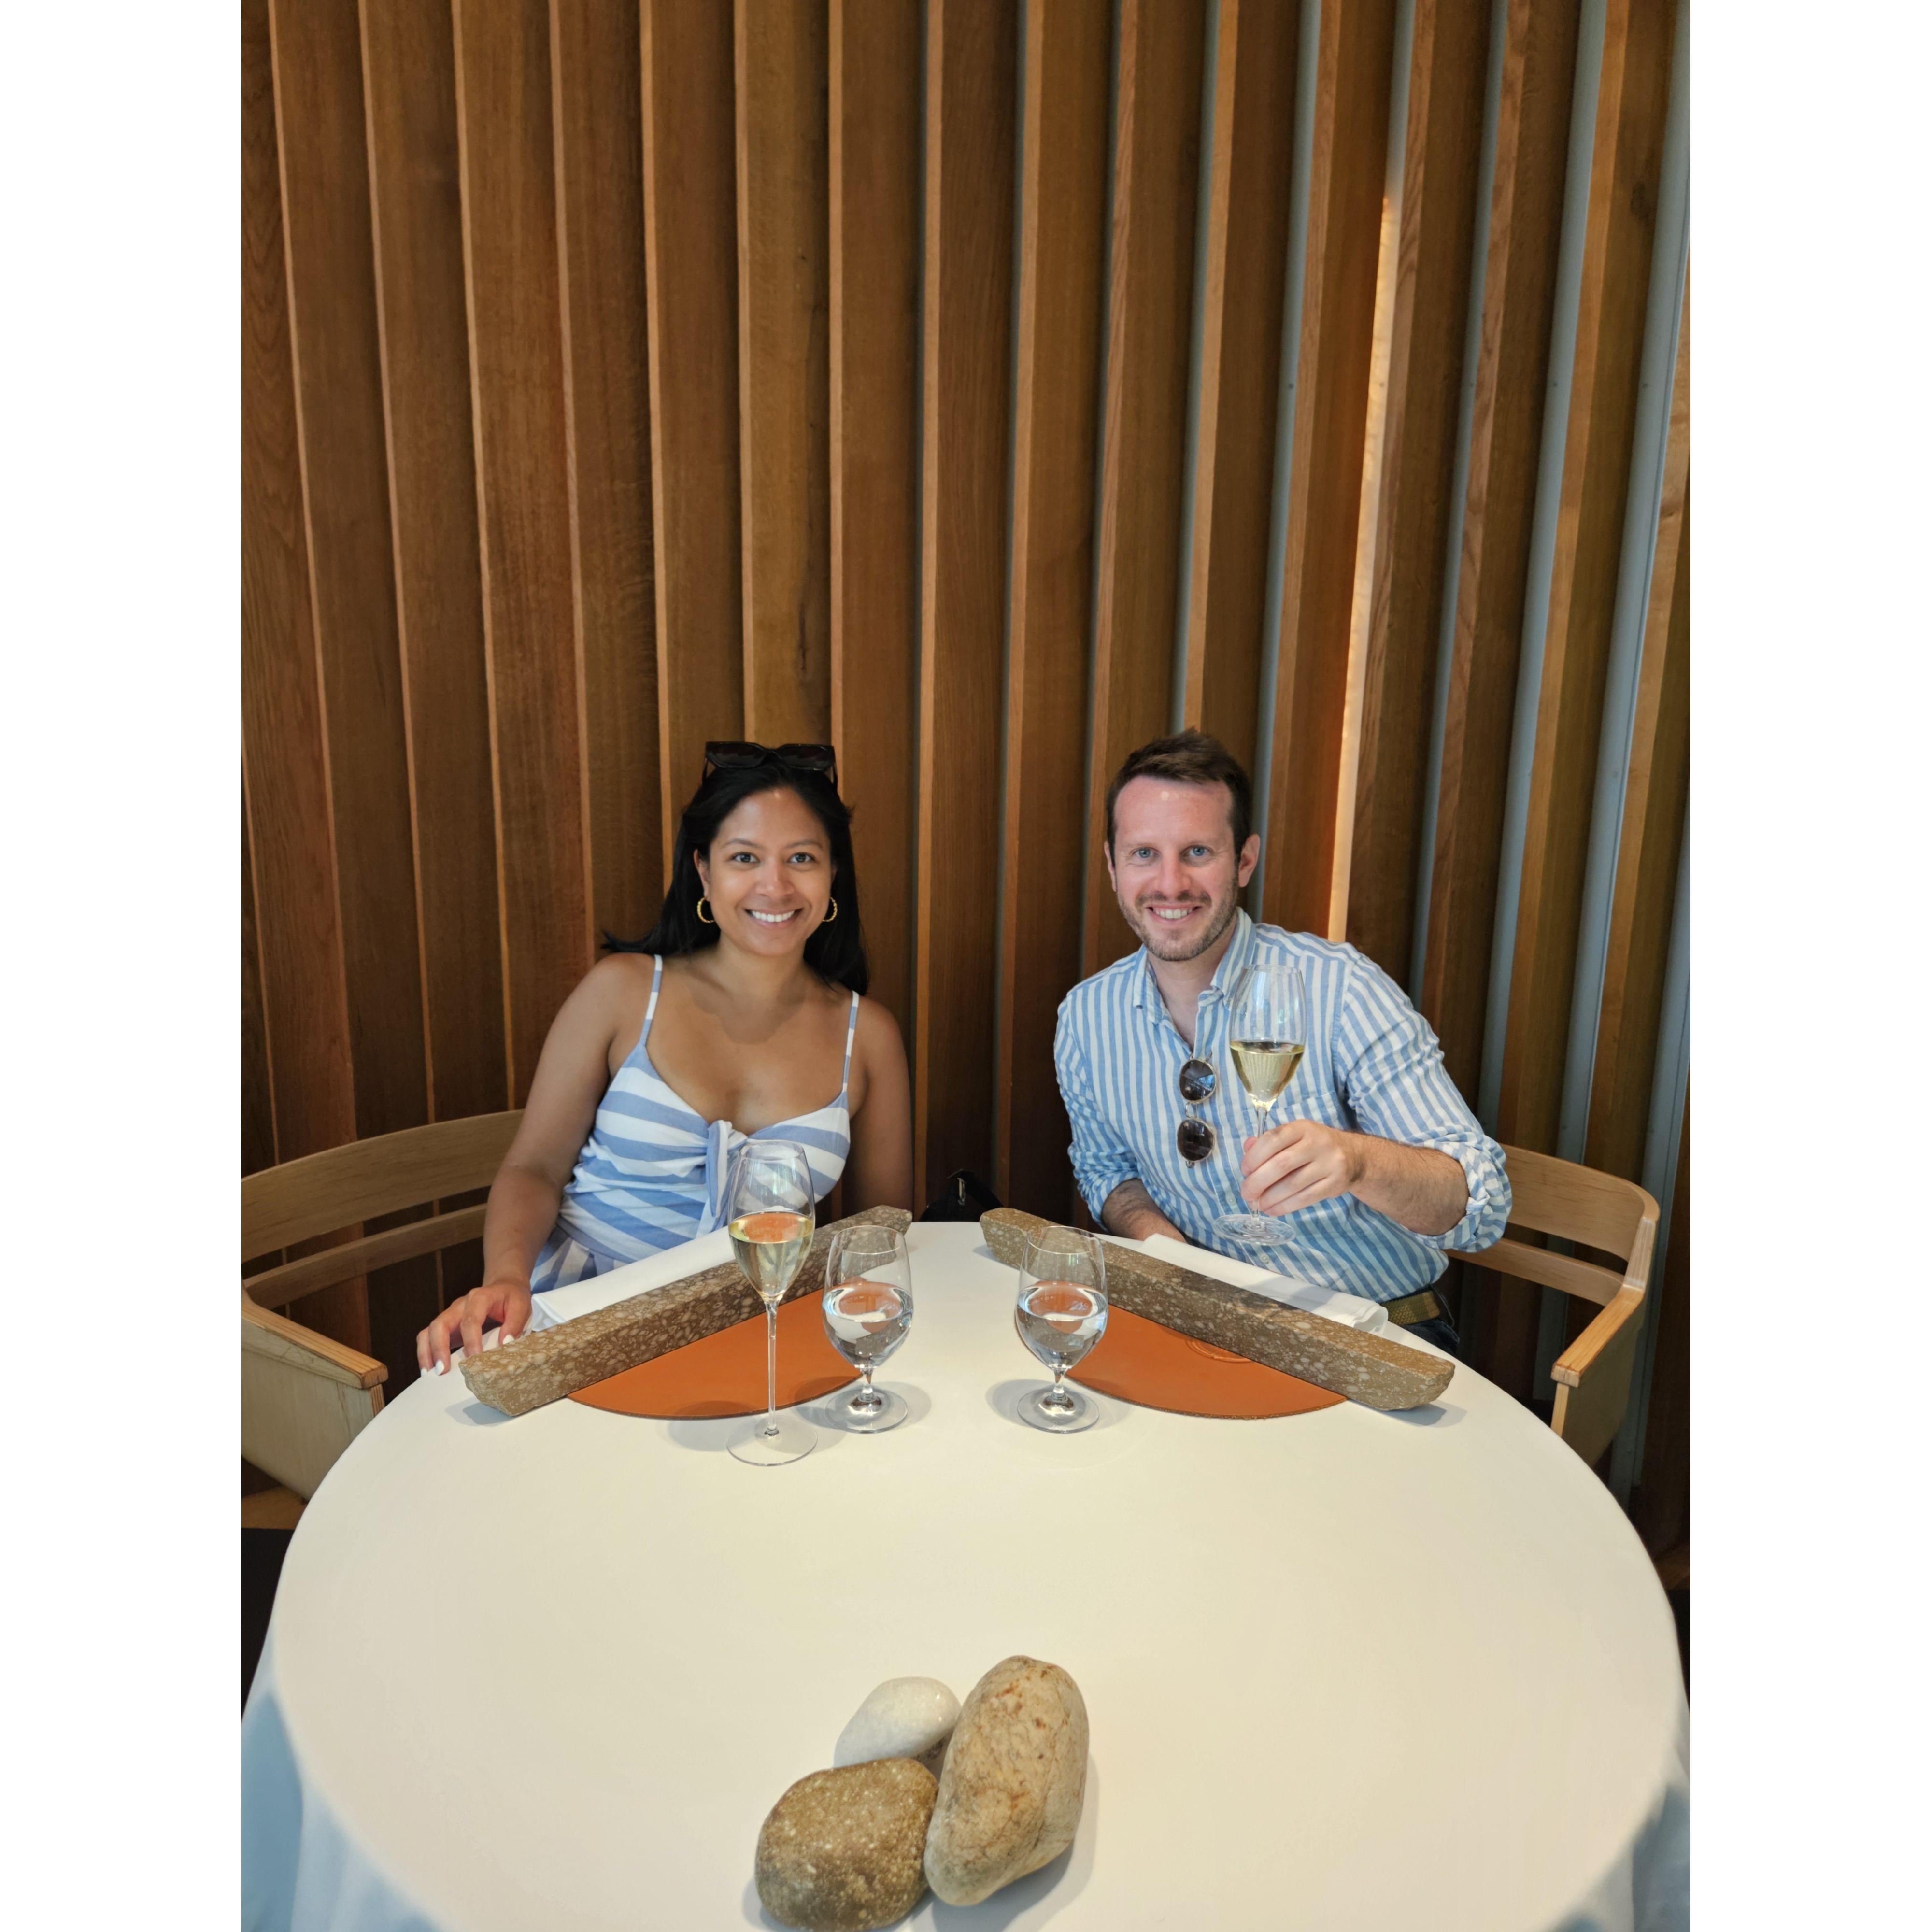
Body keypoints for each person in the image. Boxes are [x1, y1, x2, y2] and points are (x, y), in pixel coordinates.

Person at [418, 742, 912, 1372]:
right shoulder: (623, 991)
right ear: (703, 871)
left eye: (802, 858)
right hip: (578, 1318)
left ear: (833, 872)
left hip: (752, 1330)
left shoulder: (867, 1036)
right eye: (744, 858)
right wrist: (506, 1278)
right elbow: (535, 1169)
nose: (775, 885)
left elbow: (880, 1233)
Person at [1053, 731, 1509, 1355]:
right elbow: (1108, 1172)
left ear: (1244, 860)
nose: (1170, 882)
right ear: (1112, 866)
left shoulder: (1340, 989)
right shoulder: (1086, 1018)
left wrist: (1358, 1161)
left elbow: (1480, 1206)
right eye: (1144, 854)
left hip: (1373, 1334)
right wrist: (1172, 1255)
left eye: (1197, 852)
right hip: (1202, 1326)